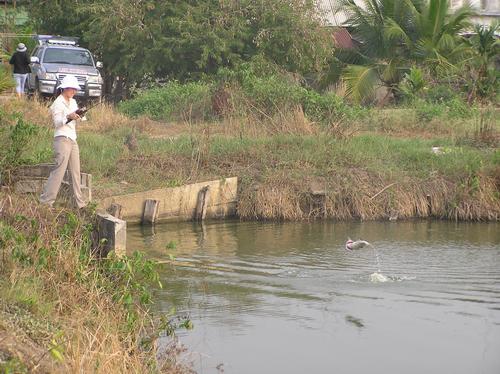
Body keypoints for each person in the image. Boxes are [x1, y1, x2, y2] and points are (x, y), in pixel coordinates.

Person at [40, 75, 87, 209]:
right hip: (62, 139)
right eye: (72, 89)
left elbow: (79, 118)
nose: (74, 91)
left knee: (75, 173)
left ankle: (79, 204)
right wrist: (68, 116)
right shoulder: (58, 103)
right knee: (59, 171)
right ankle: (46, 203)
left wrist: (80, 115)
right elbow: (57, 123)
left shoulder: (72, 102)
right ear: (65, 88)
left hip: (72, 139)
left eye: (75, 89)